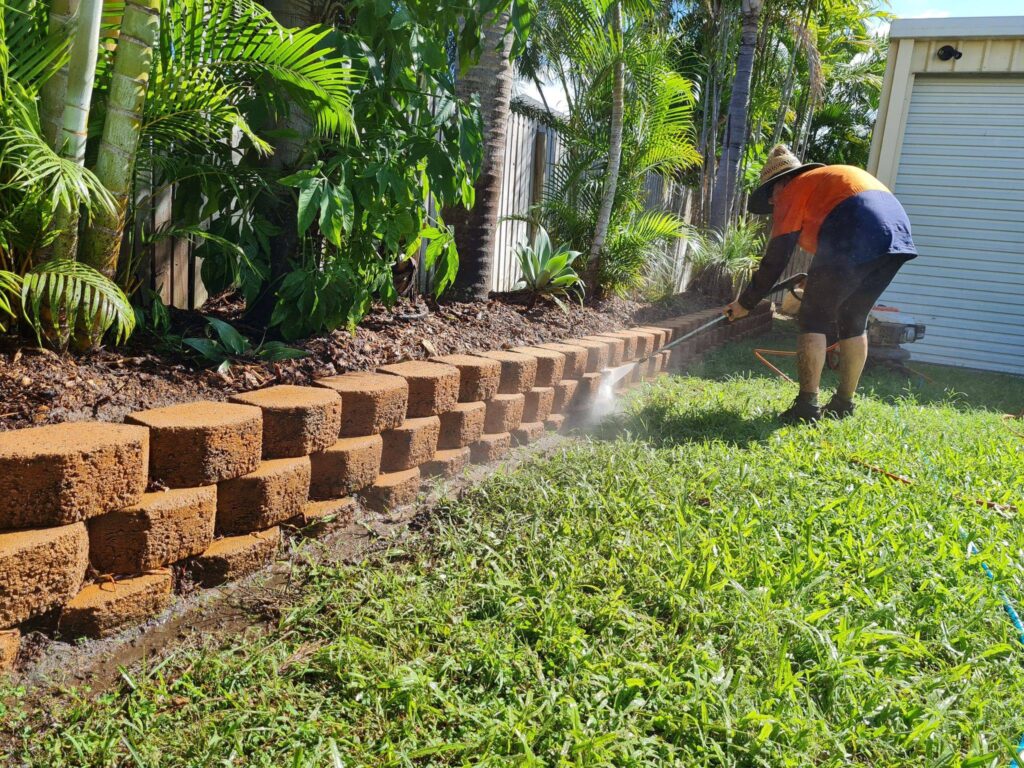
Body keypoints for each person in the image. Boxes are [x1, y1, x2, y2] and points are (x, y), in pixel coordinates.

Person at [724, 144, 917, 424]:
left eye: (770, 194)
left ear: (782, 183)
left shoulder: (793, 189)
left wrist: (745, 303)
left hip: (856, 226)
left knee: (812, 318)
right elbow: (839, 255)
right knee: (853, 318)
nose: (772, 203)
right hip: (895, 235)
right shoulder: (825, 182)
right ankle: (842, 404)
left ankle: (806, 407)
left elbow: (776, 259)